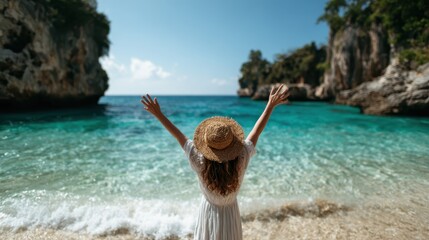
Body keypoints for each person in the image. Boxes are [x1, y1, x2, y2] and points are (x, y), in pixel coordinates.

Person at [140, 84, 289, 240]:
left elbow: (179, 136)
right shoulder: (242, 156)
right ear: (232, 143)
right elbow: (256, 132)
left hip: (208, 213)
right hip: (231, 215)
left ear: (207, 146)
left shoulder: (199, 160)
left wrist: (158, 114)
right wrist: (269, 106)